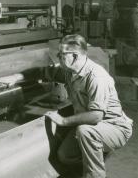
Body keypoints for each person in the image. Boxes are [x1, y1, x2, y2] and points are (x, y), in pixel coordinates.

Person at [44, 34, 133, 178]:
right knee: (64, 155)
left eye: (61, 54)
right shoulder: (70, 71)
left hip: (114, 127)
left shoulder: (96, 77)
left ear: (75, 56)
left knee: (85, 131)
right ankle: (90, 161)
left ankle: (95, 174)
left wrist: (63, 121)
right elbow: (49, 73)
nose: (58, 57)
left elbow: (96, 116)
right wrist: (20, 77)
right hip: (93, 125)